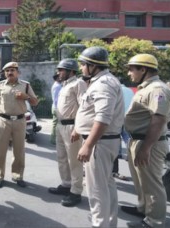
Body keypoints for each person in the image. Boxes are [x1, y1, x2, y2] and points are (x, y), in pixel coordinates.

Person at [122, 54, 170, 228]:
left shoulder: (157, 89)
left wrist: (146, 148)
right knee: (140, 181)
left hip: (150, 142)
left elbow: (158, 120)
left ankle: (155, 221)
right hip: (139, 140)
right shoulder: (147, 87)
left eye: (131, 69)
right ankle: (144, 208)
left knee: (152, 184)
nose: (129, 73)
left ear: (143, 69)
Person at [74, 46, 124, 227]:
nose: (81, 68)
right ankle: (108, 223)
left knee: (96, 190)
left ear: (93, 66)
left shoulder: (103, 84)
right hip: (104, 142)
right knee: (107, 185)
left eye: (83, 65)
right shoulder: (102, 81)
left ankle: (100, 224)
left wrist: (88, 145)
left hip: (99, 143)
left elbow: (103, 117)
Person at [0, 62, 38, 188]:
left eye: (12, 70)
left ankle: (17, 175)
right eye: (7, 71)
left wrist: (25, 96)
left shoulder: (25, 85)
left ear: (18, 72)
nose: (9, 72)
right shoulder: (0, 85)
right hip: (3, 120)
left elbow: (35, 102)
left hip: (20, 121)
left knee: (19, 150)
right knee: (0, 150)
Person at [48, 59, 87, 207]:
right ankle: (66, 184)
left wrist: (78, 128)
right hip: (61, 125)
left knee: (74, 161)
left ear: (71, 71)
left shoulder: (79, 84)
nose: (59, 72)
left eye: (62, 70)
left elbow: (84, 107)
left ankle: (76, 191)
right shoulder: (64, 85)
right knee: (62, 157)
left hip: (72, 126)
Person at [112, 80, 135, 181]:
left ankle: (114, 170)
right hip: (128, 119)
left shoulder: (116, 90)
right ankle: (132, 157)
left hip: (117, 119)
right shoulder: (130, 91)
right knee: (128, 140)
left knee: (116, 142)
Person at [50, 73, 62, 145]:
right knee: (55, 124)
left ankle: (53, 139)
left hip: (55, 106)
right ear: (57, 78)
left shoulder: (57, 85)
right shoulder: (57, 86)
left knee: (55, 123)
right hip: (56, 107)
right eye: (59, 77)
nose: (61, 78)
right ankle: (53, 139)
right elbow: (56, 99)